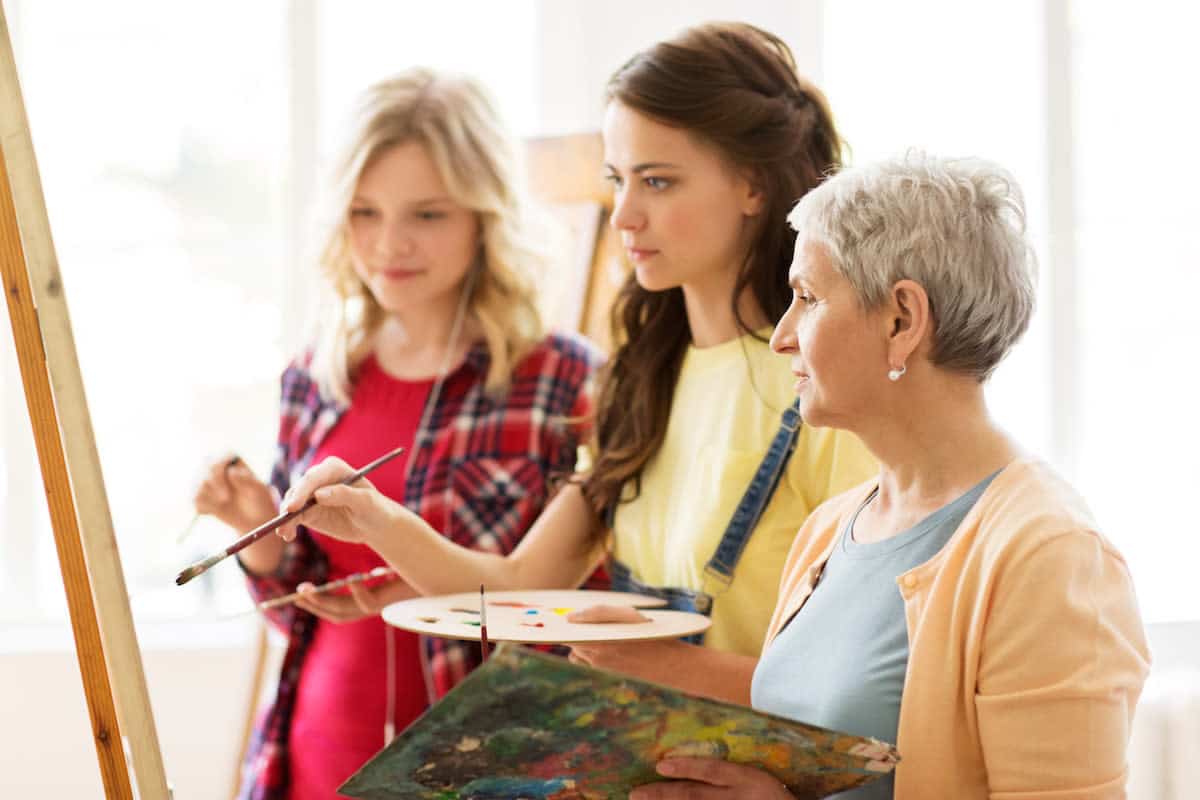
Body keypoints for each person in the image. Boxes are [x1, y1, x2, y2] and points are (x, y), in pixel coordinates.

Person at [277, 22, 875, 699]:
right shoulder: (638, 381)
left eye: (657, 181)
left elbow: (867, 689)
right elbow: (518, 588)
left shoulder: (828, 387)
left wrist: (673, 670)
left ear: (754, 187)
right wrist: (373, 518)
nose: (622, 215)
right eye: (618, 180)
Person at [628, 152, 1151, 799]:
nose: (782, 336)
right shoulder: (829, 532)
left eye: (808, 299)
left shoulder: (1052, 556)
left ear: (902, 319)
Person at [191, 68, 600, 800]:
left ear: (484, 216)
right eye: (365, 212)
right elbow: (302, 606)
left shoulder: (561, 382)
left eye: (428, 215)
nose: (390, 243)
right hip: (313, 757)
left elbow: (578, 610)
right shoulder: (315, 379)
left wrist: (420, 576)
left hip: (491, 769)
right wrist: (258, 534)